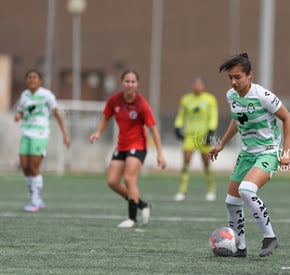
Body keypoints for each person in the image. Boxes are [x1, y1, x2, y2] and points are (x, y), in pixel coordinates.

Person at [208, 53, 290, 257]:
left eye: (238, 77)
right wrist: (220, 144)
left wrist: (286, 152)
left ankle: (270, 237)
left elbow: (287, 118)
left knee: (246, 190)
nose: (233, 81)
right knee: (231, 202)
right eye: (230, 77)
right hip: (246, 154)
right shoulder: (231, 96)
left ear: (249, 75)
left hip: (268, 152)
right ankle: (240, 246)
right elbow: (238, 121)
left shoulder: (263, 95)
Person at [89, 69, 167, 228]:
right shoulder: (114, 100)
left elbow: (154, 130)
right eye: (127, 81)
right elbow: (106, 118)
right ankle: (143, 205)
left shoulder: (142, 104)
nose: (130, 84)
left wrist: (160, 154)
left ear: (137, 84)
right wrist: (97, 132)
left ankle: (132, 219)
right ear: (122, 83)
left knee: (130, 179)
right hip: (121, 145)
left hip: (138, 146)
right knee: (112, 182)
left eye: (133, 81)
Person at [14, 68, 71, 212]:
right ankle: (36, 199)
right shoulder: (24, 95)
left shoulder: (47, 95)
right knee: (25, 167)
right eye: (29, 78)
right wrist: (19, 116)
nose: (31, 80)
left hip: (40, 134)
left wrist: (65, 134)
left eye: (34, 77)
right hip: (26, 133)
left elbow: (57, 114)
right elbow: (21, 110)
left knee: (34, 167)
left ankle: (36, 202)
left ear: (40, 80)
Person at [173, 77, 218, 202]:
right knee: (186, 161)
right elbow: (181, 115)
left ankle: (211, 189)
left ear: (203, 86)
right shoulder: (186, 99)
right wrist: (177, 127)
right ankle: (182, 190)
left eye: (200, 85)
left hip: (203, 136)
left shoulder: (210, 99)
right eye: (195, 84)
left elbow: (213, 116)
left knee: (206, 162)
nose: (197, 87)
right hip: (189, 135)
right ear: (192, 86)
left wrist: (211, 131)